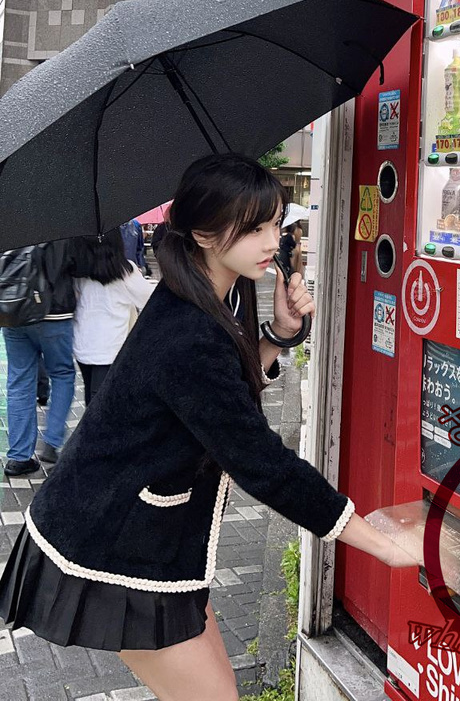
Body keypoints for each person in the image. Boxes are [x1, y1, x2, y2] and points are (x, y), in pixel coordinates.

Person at [0, 154, 419, 701]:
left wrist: (277, 333)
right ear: (202, 233)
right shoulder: (188, 330)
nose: (272, 240)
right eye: (254, 227)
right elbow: (260, 462)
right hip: (110, 547)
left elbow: (220, 401)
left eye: (274, 223)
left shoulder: (209, 298)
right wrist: (377, 543)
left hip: (152, 544)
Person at [2, 241, 78, 475]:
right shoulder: (61, 224)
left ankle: (19, 456)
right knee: (62, 374)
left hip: (13, 312)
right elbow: (71, 265)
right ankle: (52, 441)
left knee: (19, 381)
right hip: (54, 312)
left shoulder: (9, 219)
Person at [72, 230, 156, 405]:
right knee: (100, 406)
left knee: (92, 398)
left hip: (83, 345)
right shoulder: (125, 272)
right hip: (110, 349)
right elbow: (150, 300)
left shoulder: (79, 272)